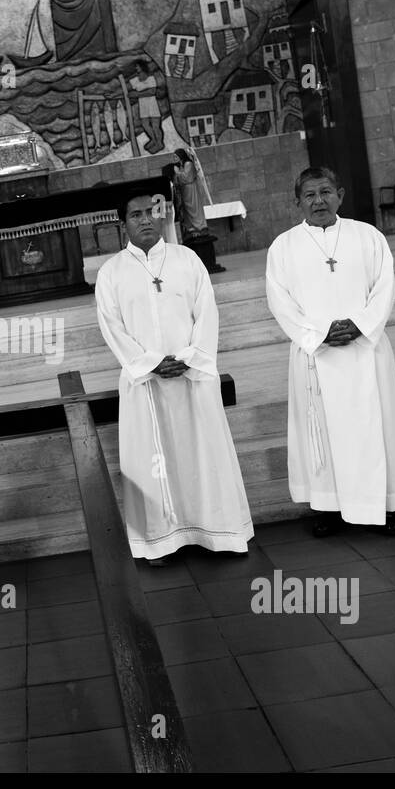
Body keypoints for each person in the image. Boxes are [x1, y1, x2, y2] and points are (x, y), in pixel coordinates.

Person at [266, 167, 395, 538]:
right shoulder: (284, 247)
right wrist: (319, 334)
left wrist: (360, 325)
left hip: (365, 351)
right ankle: (330, 505)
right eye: (309, 194)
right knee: (321, 432)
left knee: (376, 428)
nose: (318, 200)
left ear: (340, 194)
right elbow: (279, 301)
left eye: (325, 192)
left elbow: (385, 287)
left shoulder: (367, 236)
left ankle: (385, 506)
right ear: (297, 202)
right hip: (316, 355)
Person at [96, 190, 254, 565]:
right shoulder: (112, 272)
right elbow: (111, 326)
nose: (145, 220)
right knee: (152, 462)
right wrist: (150, 362)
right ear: (124, 224)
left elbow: (207, 313)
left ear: (162, 215)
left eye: (151, 212)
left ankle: (217, 533)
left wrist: (189, 357)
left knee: (203, 455)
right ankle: (159, 542)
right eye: (135, 215)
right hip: (145, 383)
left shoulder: (187, 259)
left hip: (191, 378)